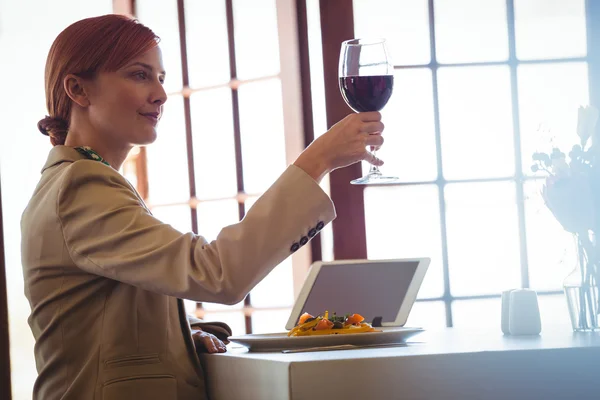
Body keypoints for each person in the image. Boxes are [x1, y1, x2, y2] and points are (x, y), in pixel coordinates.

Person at [20, 14, 385, 400]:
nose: (160, 94)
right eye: (139, 75)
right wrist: (317, 161)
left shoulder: (78, 182)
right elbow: (216, 273)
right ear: (78, 89)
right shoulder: (81, 185)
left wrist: (182, 332)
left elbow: (100, 312)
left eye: (160, 78)